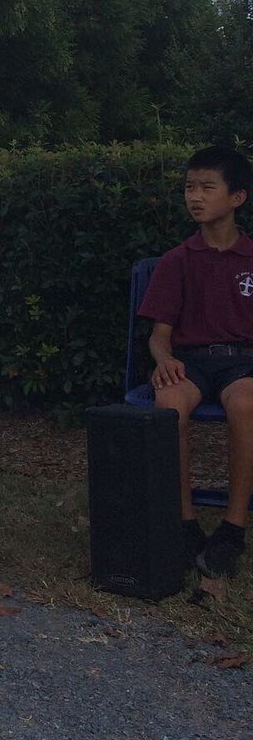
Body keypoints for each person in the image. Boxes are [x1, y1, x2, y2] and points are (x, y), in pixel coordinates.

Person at [140, 144, 253, 579]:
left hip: (243, 365)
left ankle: (232, 528)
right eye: (190, 187)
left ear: (237, 197)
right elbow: (159, 336)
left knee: (245, 404)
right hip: (191, 362)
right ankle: (184, 524)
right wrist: (164, 360)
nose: (195, 196)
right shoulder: (177, 261)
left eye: (208, 187)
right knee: (169, 404)